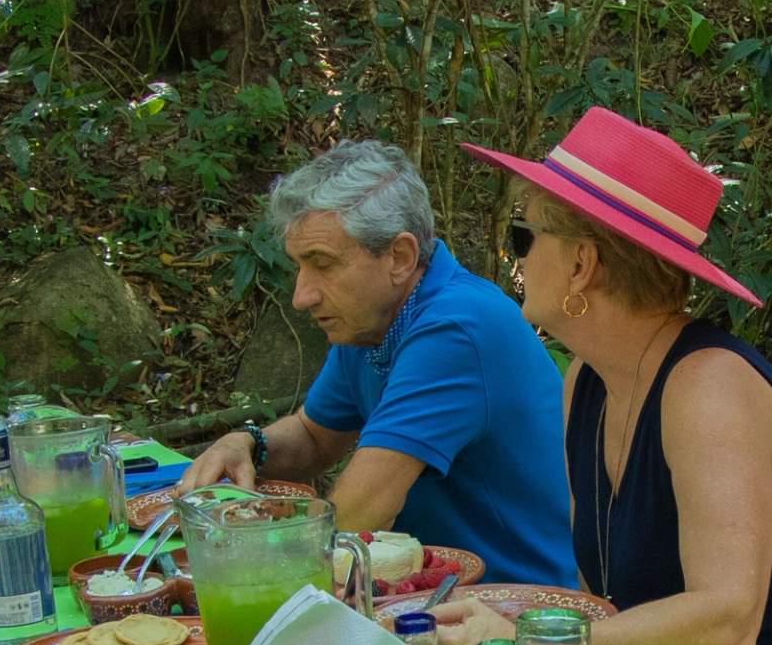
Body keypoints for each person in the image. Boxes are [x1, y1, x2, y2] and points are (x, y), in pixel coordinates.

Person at [439, 108, 772, 645]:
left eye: (522, 236)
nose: (514, 257)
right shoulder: (587, 380)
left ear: (582, 264)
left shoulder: (706, 387)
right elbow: (605, 598)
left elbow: (727, 620)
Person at [177, 141, 573, 587]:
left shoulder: (457, 327)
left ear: (399, 258)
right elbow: (314, 436)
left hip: (517, 606)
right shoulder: (372, 320)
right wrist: (247, 444)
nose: (301, 295)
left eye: (322, 265)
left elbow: (356, 515)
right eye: (299, 267)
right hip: (429, 594)